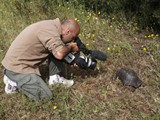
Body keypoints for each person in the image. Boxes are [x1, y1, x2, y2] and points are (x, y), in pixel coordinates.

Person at [1, 18, 80, 100]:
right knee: (45, 96)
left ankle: (55, 79)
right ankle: (13, 81)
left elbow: (58, 49)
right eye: (73, 37)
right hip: (17, 67)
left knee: (59, 47)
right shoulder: (50, 32)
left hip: (17, 62)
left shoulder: (53, 27)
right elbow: (59, 54)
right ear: (67, 32)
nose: (72, 40)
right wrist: (70, 47)